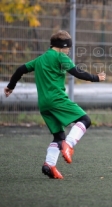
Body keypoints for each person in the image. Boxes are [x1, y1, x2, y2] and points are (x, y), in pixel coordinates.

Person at [4, 30, 106, 179]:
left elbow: (20, 70)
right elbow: (77, 72)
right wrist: (96, 78)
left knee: (59, 137)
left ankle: (49, 165)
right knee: (85, 120)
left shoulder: (40, 59)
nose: (69, 51)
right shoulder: (60, 57)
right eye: (68, 48)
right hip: (56, 100)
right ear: (61, 47)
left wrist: (11, 86)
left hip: (44, 104)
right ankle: (69, 145)